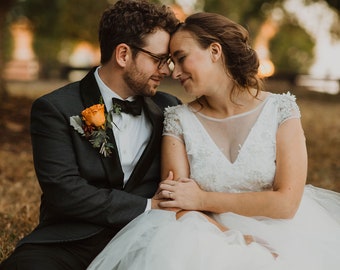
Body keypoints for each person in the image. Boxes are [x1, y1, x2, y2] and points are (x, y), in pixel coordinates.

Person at [86, 12, 340, 270]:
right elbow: (177, 203)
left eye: (181, 59)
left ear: (215, 51)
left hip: (285, 234)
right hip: (202, 234)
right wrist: (238, 239)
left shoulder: (281, 110)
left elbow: (286, 203)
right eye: (171, 62)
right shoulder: (178, 119)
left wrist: (202, 199)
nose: (175, 73)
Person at [0, 1, 181, 269]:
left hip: (148, 240)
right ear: (123, 54)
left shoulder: (169, 108)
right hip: (72, 241)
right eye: (158, 60)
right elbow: (64, 190)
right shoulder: (56, 108)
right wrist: (147, 206)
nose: (166, 71)